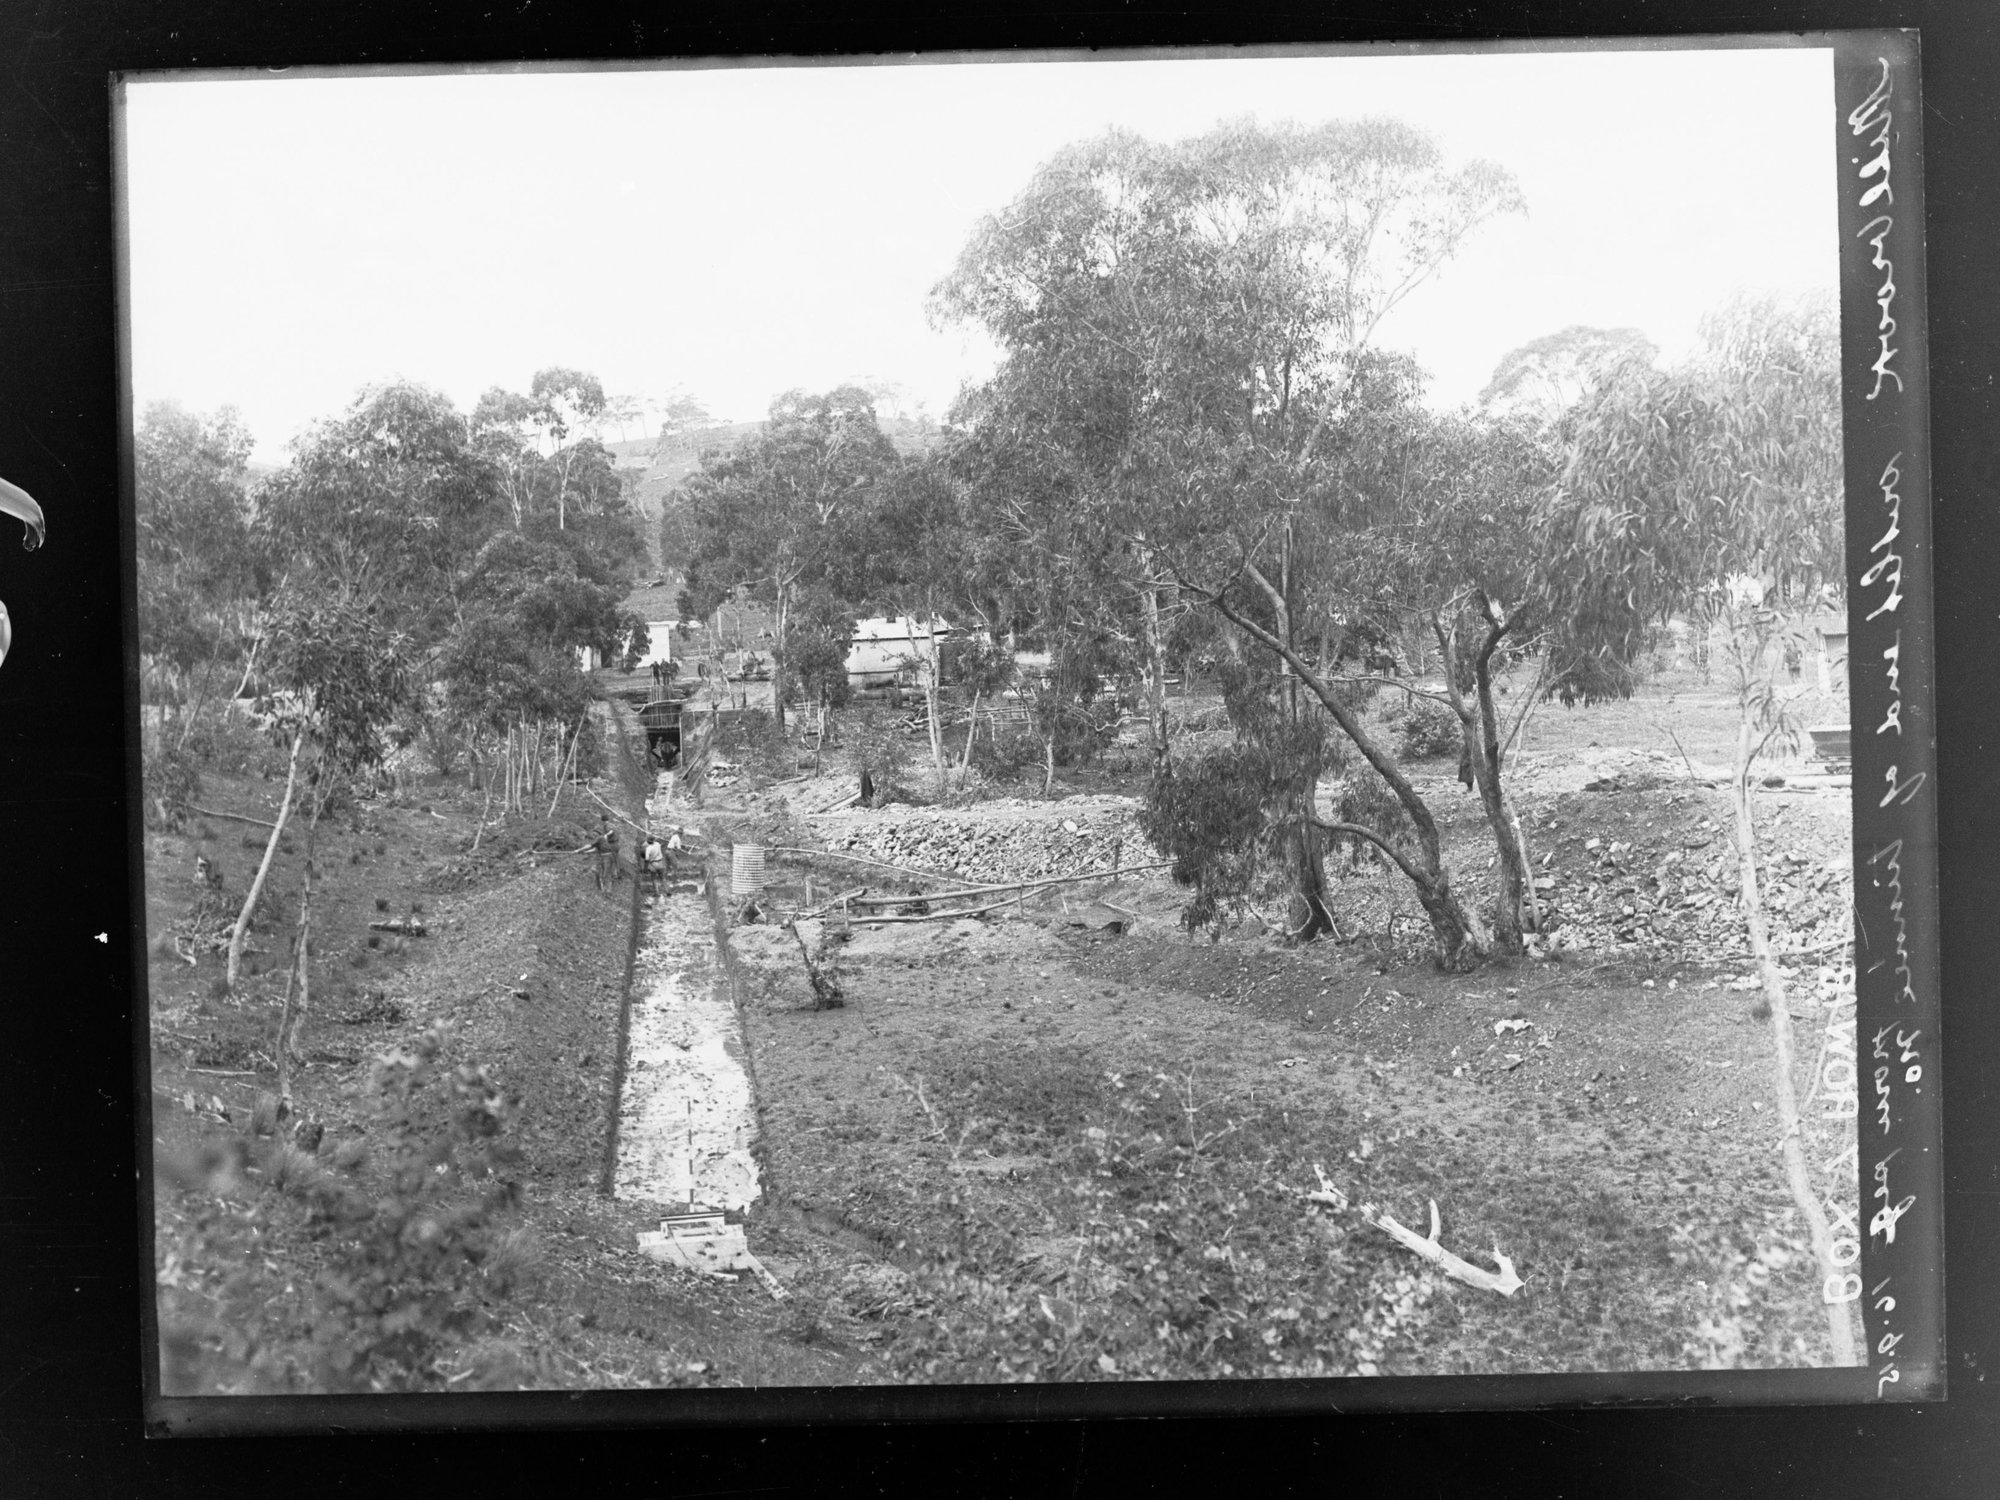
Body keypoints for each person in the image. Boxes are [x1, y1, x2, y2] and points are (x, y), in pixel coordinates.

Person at [642, 832, 666, 899]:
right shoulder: (658, 844)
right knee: (662, 878)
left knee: (654, 879)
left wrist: (645, 869)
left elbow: (646, 859)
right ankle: (667, 891)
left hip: (653, 864)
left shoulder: (648, 849)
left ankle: (657, 893)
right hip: (660, 862)